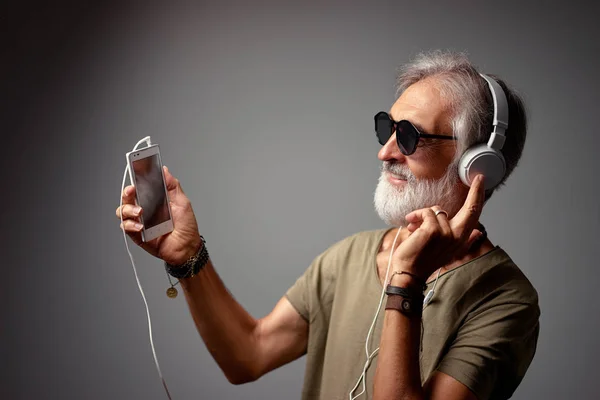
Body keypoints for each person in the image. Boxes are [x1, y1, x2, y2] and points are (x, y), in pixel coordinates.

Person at [116, 50, 539, 400]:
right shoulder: (351, 256)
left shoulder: (505, 299)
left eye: (409, 136)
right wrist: (189, 256)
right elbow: (248, 355)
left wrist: (406, 281)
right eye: (386, 129)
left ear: (475, 165)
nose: (385, 152)